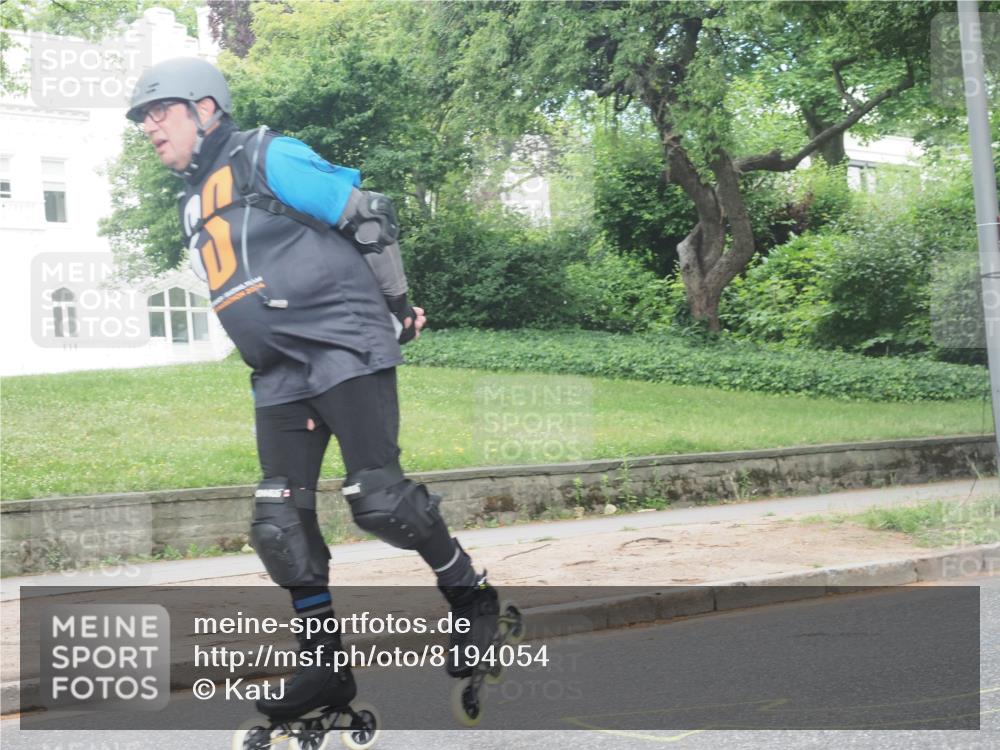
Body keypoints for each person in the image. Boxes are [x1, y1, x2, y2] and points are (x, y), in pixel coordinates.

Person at [126, 56, 498, 722]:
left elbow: (365, 214)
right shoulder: (190, 200)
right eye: (144, 118)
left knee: (380, 501)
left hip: (344, 344)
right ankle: (325, 669)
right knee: (278, 525)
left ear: (206, 108)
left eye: (162, 111)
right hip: (277, 374)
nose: (150, 126)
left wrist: (397, 302)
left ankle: (472, 598)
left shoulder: (266, 155)